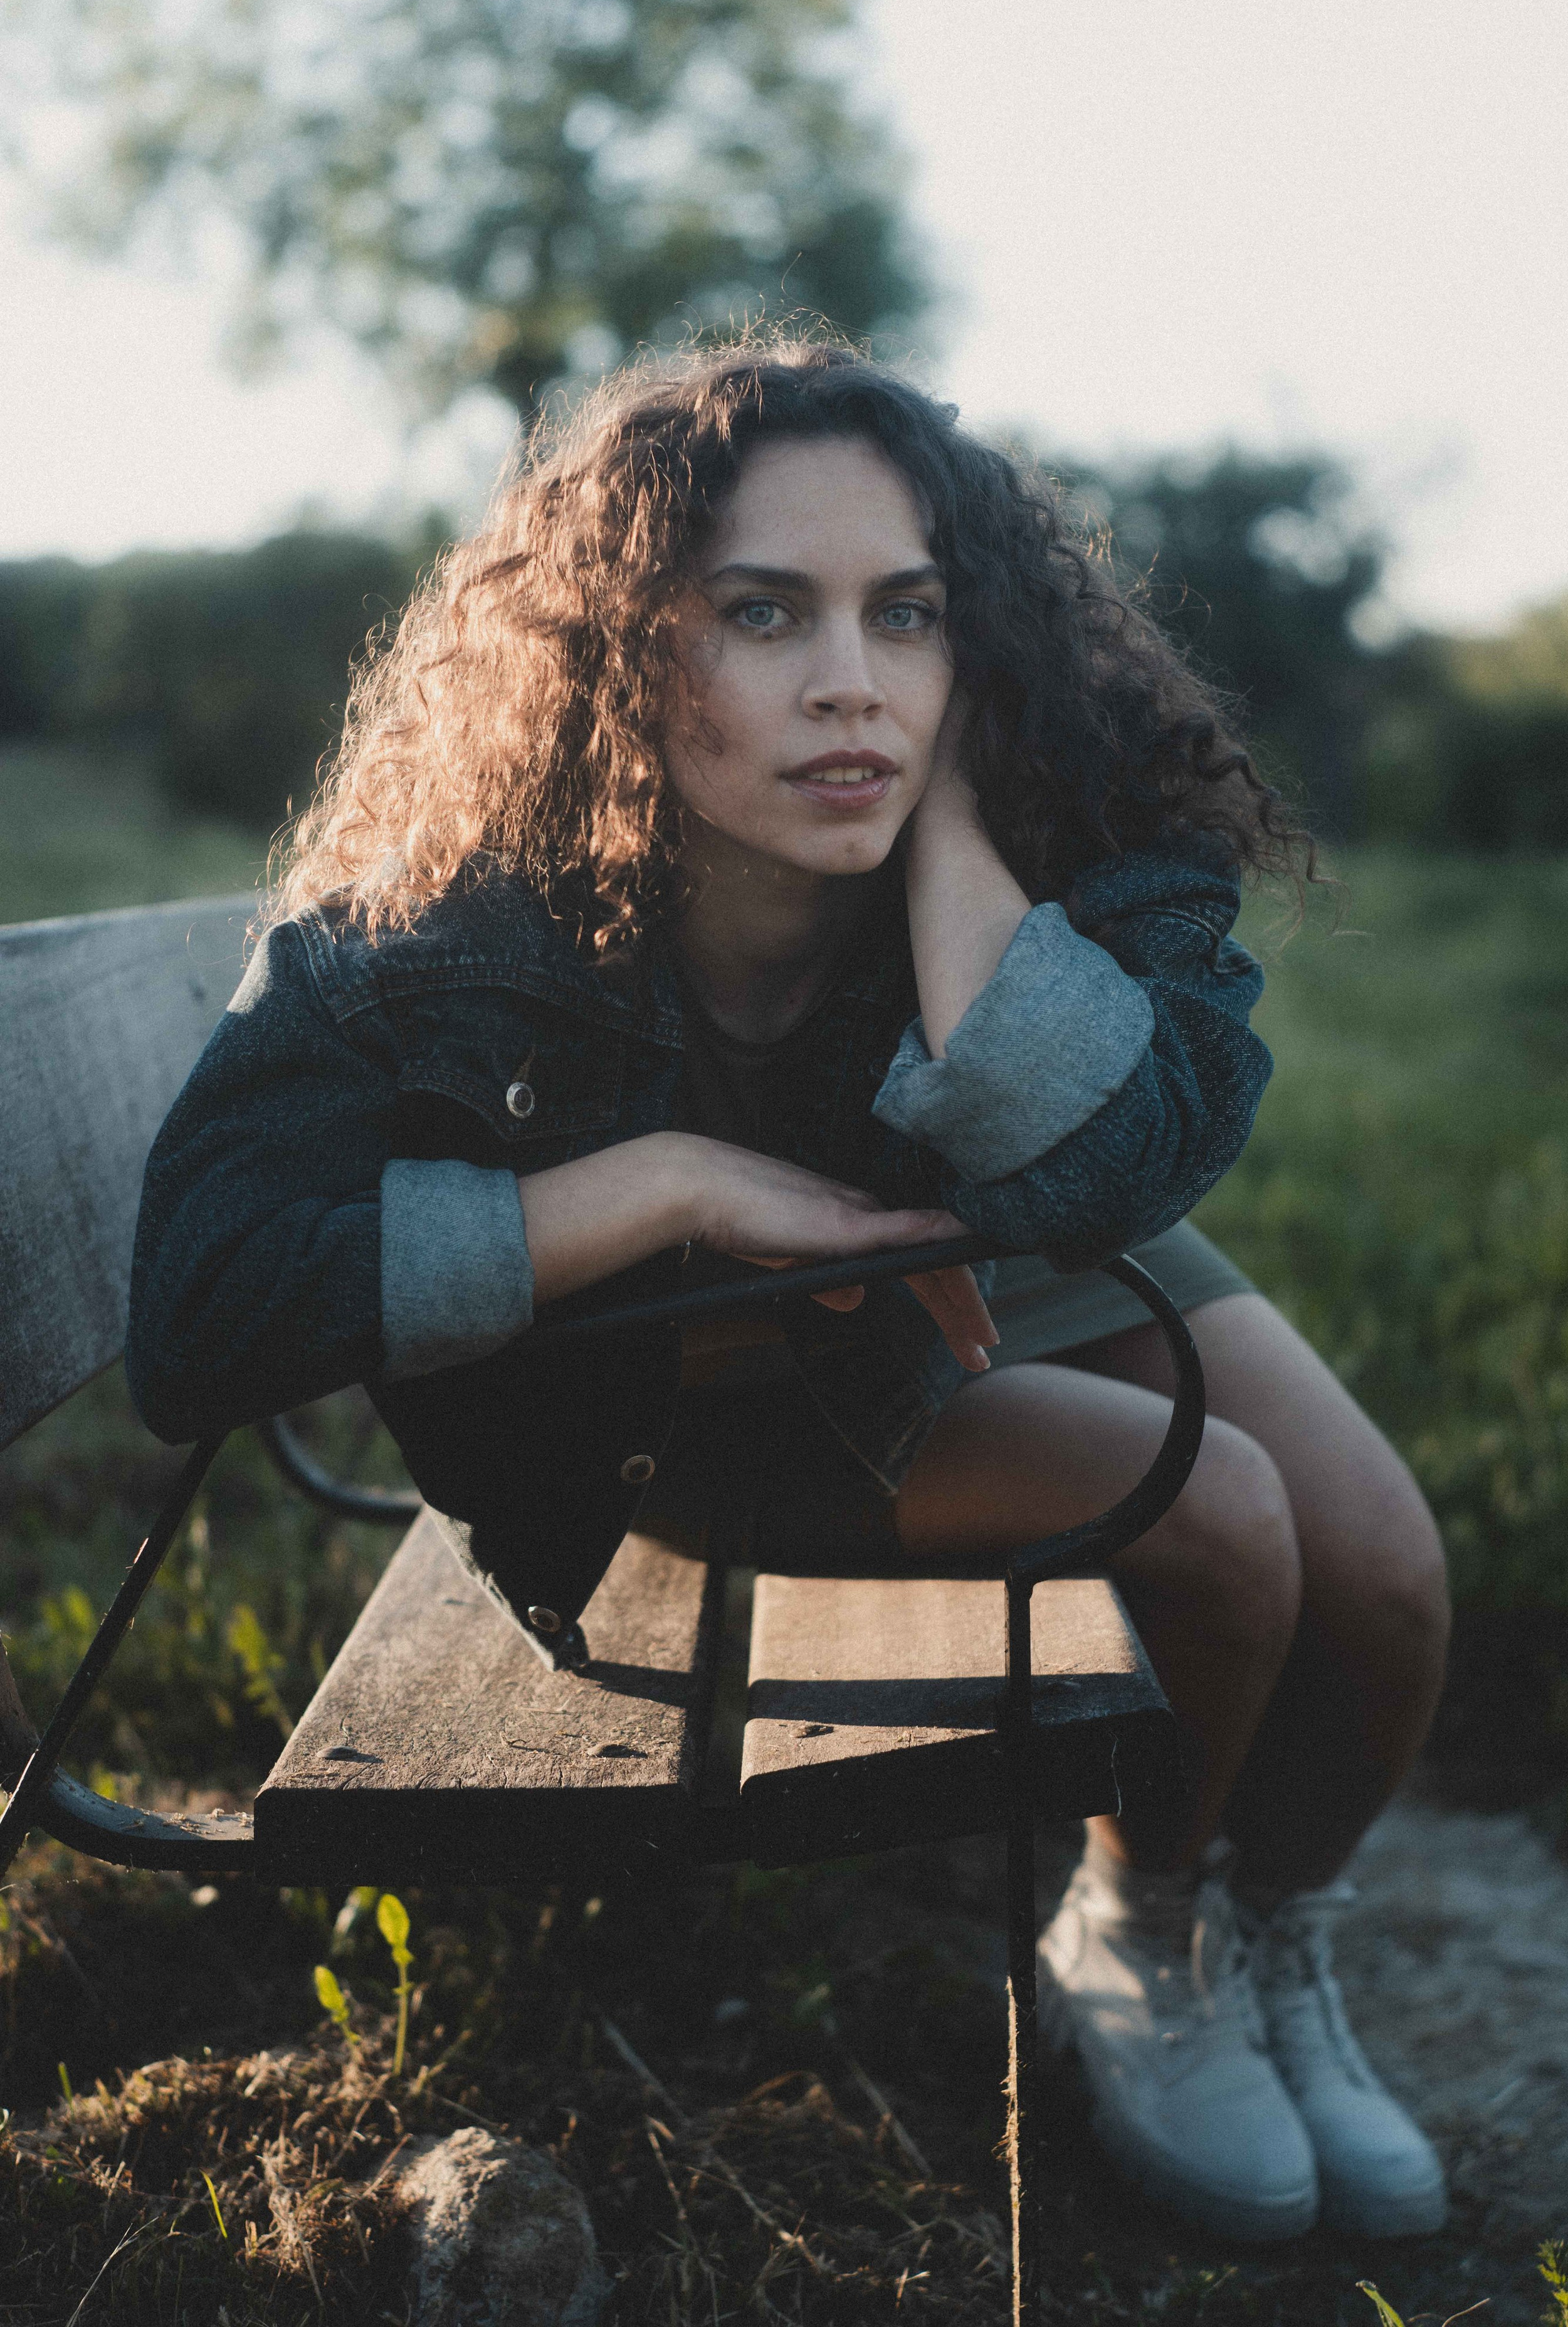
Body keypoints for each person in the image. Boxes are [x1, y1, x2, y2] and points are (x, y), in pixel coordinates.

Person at [127, 337, 1450, 2242]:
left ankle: (1278, 1935)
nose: (853, 681)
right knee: (1226, 1515)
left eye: (907, 615)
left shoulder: (1042, 804)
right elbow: (202, 1309)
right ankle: (1142, 1933)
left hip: (988, 1244)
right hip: (717, 1372)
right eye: (765, 613)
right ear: (618, 650)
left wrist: (950, 830)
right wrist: (666, 1182)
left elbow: (1110, 1170)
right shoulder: (446, 927)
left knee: (1387, 1572)